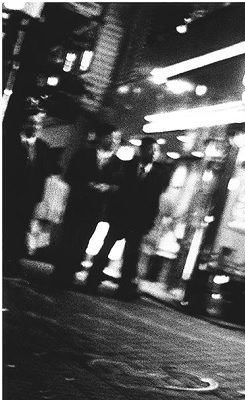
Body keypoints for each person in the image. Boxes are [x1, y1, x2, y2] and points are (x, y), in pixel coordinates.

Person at [84, 137, 172, 300]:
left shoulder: (159, 174)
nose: (153, 154)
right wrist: (110, 213)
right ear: (142, 150)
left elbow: (154, 201)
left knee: (130, 256)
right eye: (149, 150)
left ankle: (124, 288)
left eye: (156, 151)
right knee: (105, 250)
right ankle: (92, 281)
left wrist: (149, 222)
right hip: (120, 216)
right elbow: (118, 189)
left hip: (138, 221)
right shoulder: (128, 166)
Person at [52, 126, 123, 287]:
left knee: (84, 240)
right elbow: (69, 175)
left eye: (117, 139)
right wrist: (86, 184)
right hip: (77, 203)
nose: (114, 142)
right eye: (112, 137)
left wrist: (108, 188)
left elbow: (120, 186)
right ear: (102, 137)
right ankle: (59, 271)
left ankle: (69, 273)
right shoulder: (83, 154)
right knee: (68, 236)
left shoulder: (117, 163)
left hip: (95, 209)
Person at [2, 103, 59, 275]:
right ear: (23, 124)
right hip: (7, 192)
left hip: (30, 197)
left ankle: (11, 260)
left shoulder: (43, 147)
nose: (34, 126)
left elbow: (47, 172)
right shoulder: (8, 141)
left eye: (37, 124)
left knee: (20, 229)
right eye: (30, 122)